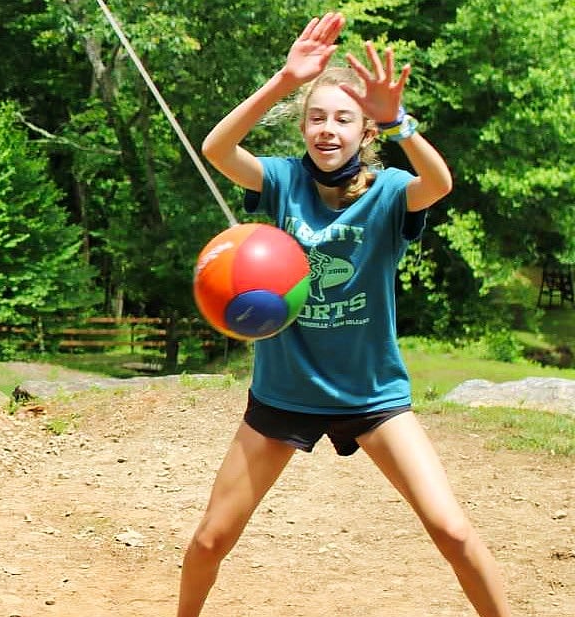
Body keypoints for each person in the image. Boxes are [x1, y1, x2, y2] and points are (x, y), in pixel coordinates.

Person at [181, 13, 511, 616]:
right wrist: (284, 80)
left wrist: (400, 121)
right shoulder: (279, 183)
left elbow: (438, 183)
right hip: (284, 394)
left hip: (373, 398)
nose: (326, 129)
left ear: (365, 131)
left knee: (455, 533)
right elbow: (216, 148)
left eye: (343, 118)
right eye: (315, 116)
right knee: (210, 538)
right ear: (303, 126)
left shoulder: (387, 191)